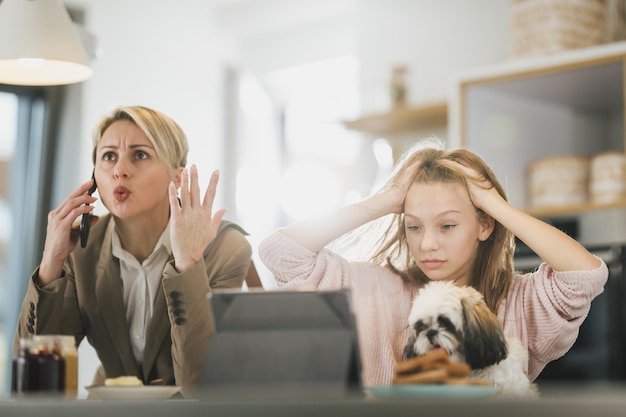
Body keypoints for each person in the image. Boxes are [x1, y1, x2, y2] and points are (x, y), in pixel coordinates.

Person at [258, 138, 608, 387]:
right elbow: (282, 254)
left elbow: (586, 275)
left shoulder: (518, 301)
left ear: (484, 225)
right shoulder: (374, 288)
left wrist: (492, 203)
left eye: (447, 225)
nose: (427, 244)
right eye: (414, 226)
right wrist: (385, 199)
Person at [15, 105, 252, 396]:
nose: (119, 171)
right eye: (109, 156)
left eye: (140, 155)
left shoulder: (225, 248)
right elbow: (38, 383)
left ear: (176, 178)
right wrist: (50, 265)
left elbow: (200, 385)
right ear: (94, 178)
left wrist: (188, 265)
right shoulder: (81, 250)